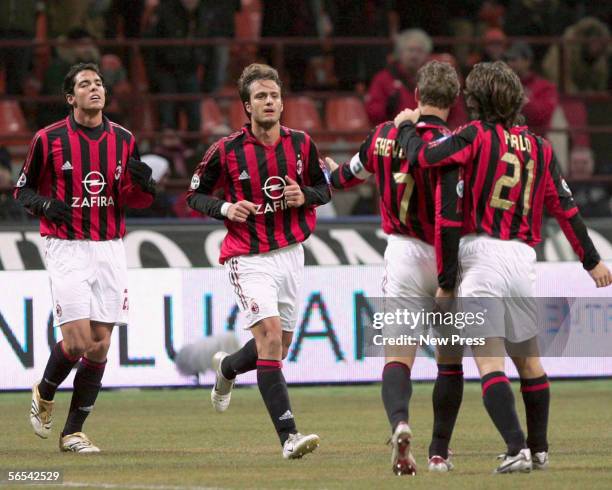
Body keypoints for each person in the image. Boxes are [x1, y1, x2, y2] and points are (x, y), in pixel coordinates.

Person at [394, 61, 612, 473]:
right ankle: (540, 448)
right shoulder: (541, 148)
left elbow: (423, 157)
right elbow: (565, 208)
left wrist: (407, 126)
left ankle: (516, 449)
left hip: (483, 257)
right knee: (529, 360)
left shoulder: (474, 136)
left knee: (489, 361)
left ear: (475, 100)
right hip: (524, 259)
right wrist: (592, 260)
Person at [185, 63, 330, 459]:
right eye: (261, 97)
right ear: (246, 106)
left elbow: (324, 187)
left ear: (282, 102)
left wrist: (308, 196)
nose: (270, 102)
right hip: (248, 257)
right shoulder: (226, 149)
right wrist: (227, 207)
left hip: (291, 254)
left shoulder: (301, 144)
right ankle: (289, 437)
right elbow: (194, 196)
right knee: (267, 337)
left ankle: (227, 368)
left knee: (278, 347)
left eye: (274, 95)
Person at [327, 60, 464, 475]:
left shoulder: (384, 134)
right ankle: (439, 451)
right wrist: (448, 278)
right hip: (445, 255)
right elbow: (453, 213)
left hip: (402, 254)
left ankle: (400, 423)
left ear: (416, 96)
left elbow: (344, 178)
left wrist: (320, 170)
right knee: (450, 361)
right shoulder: (453, 144)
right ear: (454, 102)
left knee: (398, 357)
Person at [14, 62, 156, 453]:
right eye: (85, 84)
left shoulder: (124, 139)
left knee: (100, 345)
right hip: (67, 246)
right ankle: (44, 392)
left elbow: (134, 196)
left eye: (98, 83)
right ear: (70, 97)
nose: (94, 88)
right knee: (77, 341)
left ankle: (73, 432)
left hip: (110, 246)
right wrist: (44, 204)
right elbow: (21, 191)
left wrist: (146, 188)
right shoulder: (48, 139)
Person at [365, 29, 466, 129]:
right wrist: (387, 109)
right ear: (399, 53)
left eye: (419, 51)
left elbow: (457, 114)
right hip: (395, 135)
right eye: (410, 50)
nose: (414, 56)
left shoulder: (439, 79)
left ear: (427, 55)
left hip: (432, 135)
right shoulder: (383, 79)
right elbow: (372, 114)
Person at [505, 41, 558, 136]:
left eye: (514, 59)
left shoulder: (545, 87)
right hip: (509, 141)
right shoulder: (504, 84)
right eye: (508, 60)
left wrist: (523, 99)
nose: (509, 64)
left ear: (527, 61)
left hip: (535, 141)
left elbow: (542, 117)